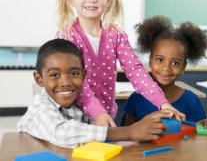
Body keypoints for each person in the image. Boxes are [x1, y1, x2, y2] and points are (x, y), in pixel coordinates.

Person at [55, 0, 184, 127]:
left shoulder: (115, 35)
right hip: (73, 118)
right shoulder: (67, 36)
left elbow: (135, 71)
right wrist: (98, 112)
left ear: (108, 0)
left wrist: (162, 103)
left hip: (105, 116)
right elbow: (74, 81)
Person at [17, 39, 172, 148]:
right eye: (55, 75)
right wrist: (130, 132)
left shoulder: (77, 105)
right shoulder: (40, 106)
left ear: (84, 76)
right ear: (39, 79)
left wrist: (140, 129)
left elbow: (89, 135)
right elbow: (62, 133)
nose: (66, 82)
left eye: (74, 73)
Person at [122, 16, 207, 127]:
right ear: (150, 60)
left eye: (175, 63)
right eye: (160, 60)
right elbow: (127, 134)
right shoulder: (136, 99)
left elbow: (198, 132)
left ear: (183, 67)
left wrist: (204, 125)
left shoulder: (192, 101)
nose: (166, 68)